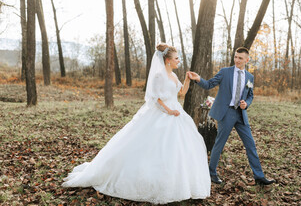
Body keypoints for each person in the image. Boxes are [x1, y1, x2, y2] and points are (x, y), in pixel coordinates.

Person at [62, 43, 211, 204]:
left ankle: (176, 182)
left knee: (179, 148)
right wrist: (169, 111)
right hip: (163, 113)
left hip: (176, 113)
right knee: (152, 147)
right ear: (167, 60)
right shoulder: (159, 76)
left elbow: (181, 93)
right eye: (176, 58)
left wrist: (187, 79)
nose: (179, 61)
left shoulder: (174, 76)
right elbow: (155, 99)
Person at [187, 47, 275, 185]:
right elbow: (209, 84)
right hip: (226, 112)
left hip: (241, 115)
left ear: (247, 60)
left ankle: (259, 176)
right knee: (219, 144)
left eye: (240, 58)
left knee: (250, 144)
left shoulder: (250, 77)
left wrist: (247, 103)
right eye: (235, 57)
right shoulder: (225, 72)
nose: (237, 60)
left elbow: (250, 95)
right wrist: (198, 79)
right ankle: (211, 173)